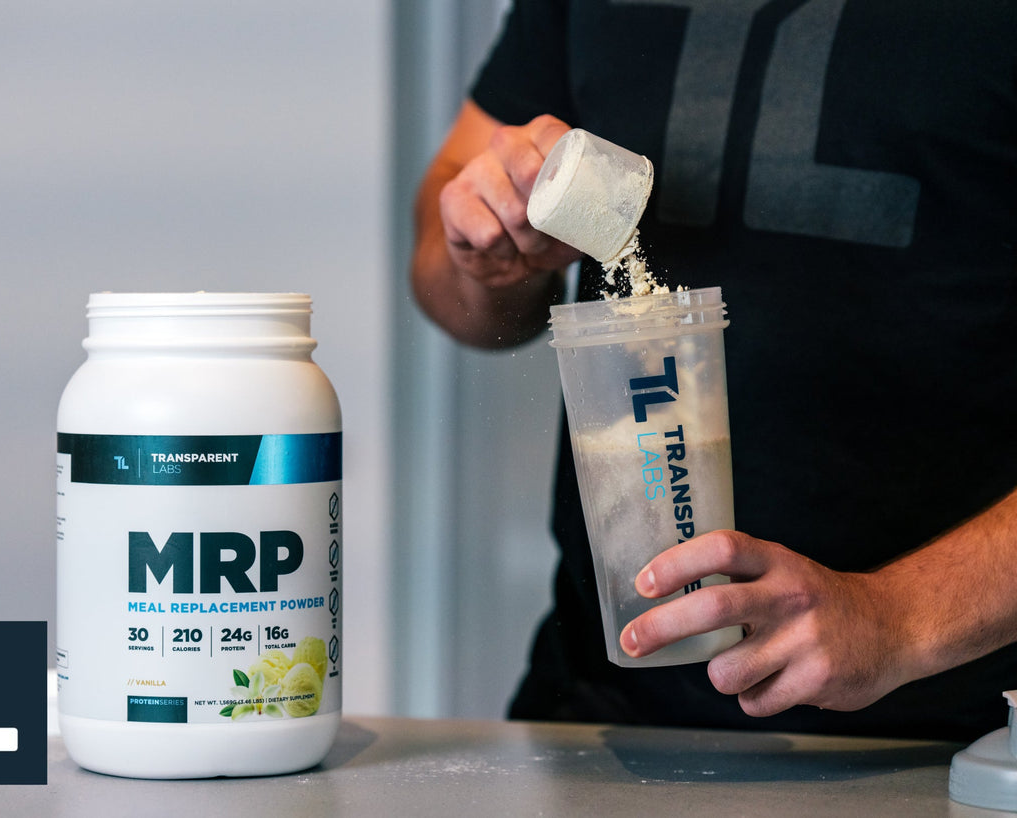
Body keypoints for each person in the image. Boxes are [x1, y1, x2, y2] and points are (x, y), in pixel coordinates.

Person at [410, 0, 1017, 741]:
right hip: (599, 724)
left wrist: (897, 616)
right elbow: (453, 290)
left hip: (953, 742)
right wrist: (485, 255)